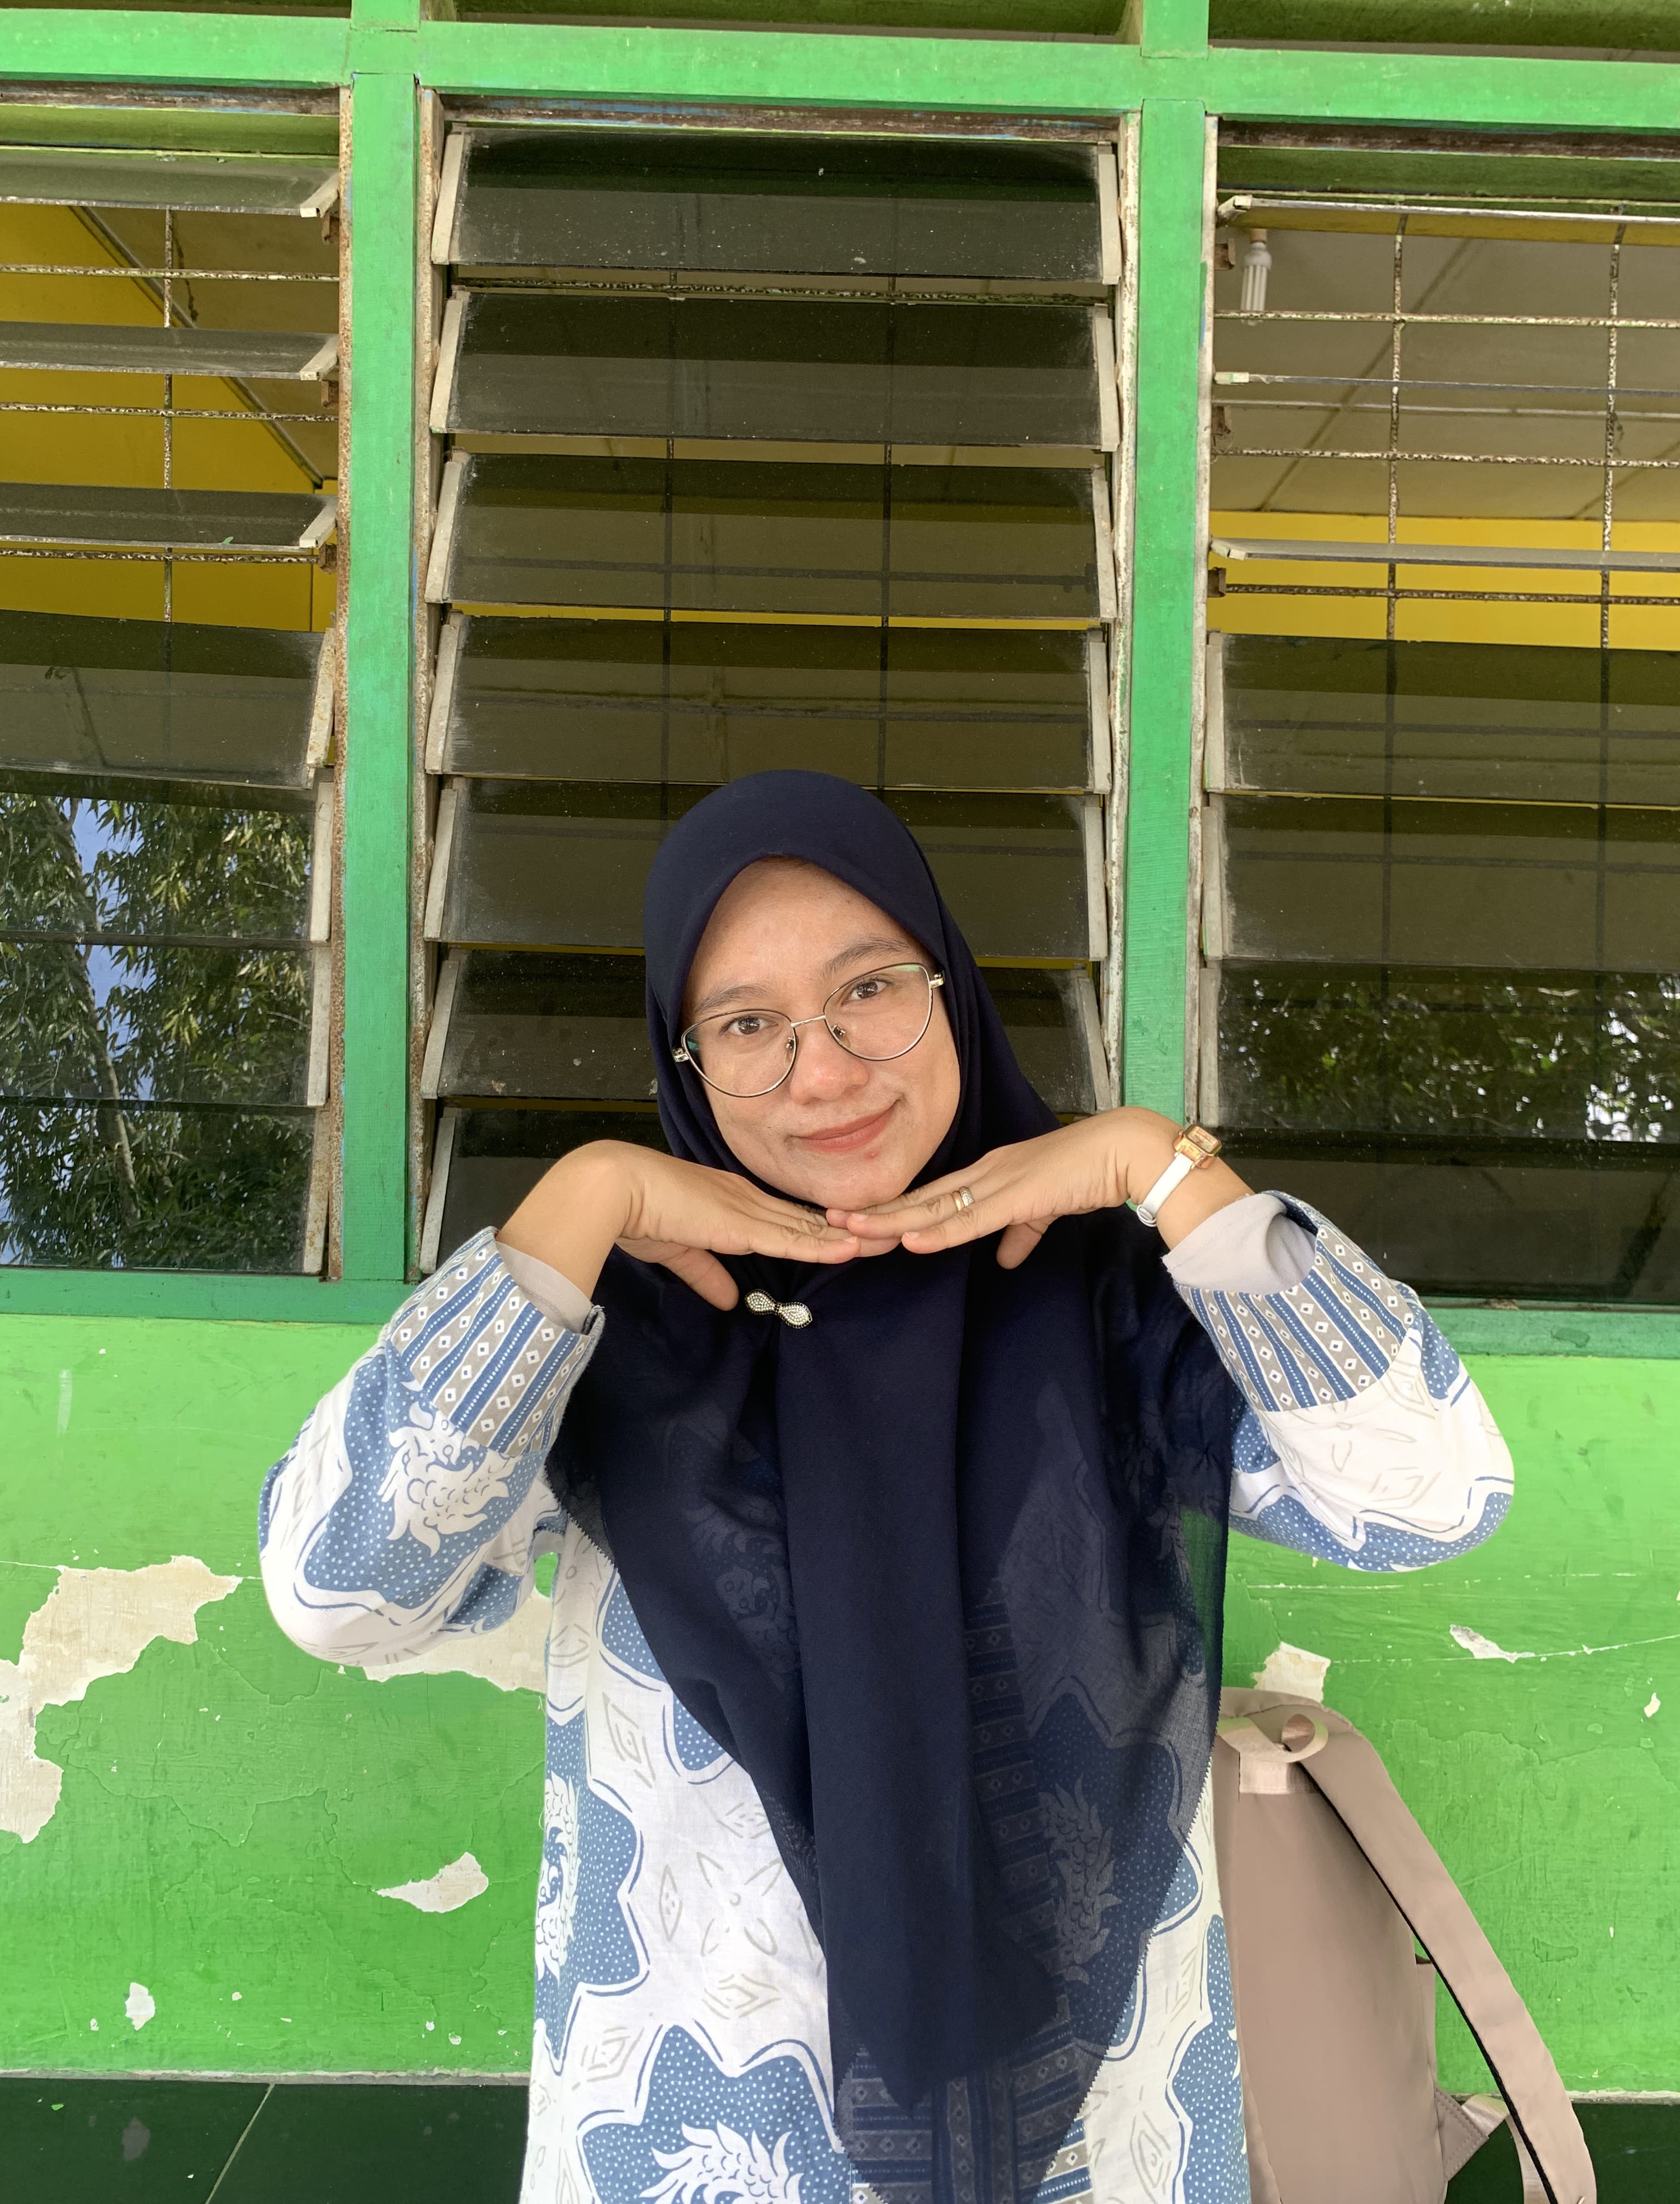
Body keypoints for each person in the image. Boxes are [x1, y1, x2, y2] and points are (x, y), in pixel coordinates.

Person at [260, 771, 1513, 2204]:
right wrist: (582, 1201)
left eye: (869, 989)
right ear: (685, 1057)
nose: (824, 1072)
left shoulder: (1115, 1298)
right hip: (711, 2123)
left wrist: (1159, 1167)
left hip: (1092, 2127)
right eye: (747, 1026)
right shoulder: (608, 1333)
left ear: (951, 987)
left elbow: (1431, 1497)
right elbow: (335, 1596)